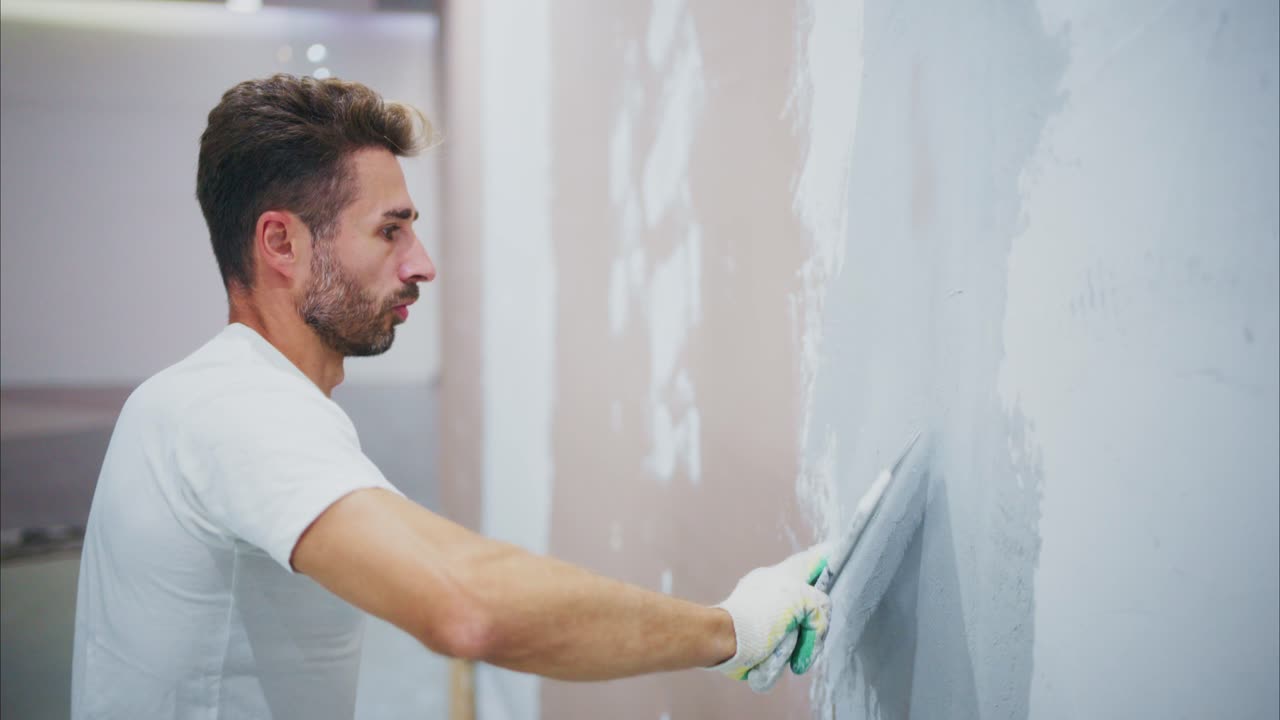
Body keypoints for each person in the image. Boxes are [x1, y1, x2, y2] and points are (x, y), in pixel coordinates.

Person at [70, 74, 831, 719]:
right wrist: (731, 629)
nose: (423, 264)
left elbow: (441, 559)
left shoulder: (208, 395)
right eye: (389, 231)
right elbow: (466, 603)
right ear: (282, 244)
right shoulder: (239, 411)